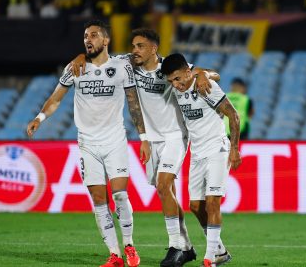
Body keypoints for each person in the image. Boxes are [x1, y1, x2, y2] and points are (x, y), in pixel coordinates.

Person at [69, 28, 222, 267]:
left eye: (140, 46)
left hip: (174, 136)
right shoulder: (128, 65)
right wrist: (81, 57)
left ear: (153, 49)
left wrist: (205, 75)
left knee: (163, 185)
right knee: (166, 191)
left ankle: (175, 246)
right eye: (133, 46)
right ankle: (187, 247)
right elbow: (98, 57)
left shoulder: (169, 69)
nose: (134, 51)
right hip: (151, 139)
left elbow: (209, 73)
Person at [26, 19, 149, 267]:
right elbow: (56, 98)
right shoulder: (75, 68)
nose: (88, 39)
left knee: (120, 195)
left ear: (106, 40)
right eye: (85, 36)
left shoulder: (122, 66)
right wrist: (40, 118)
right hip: (87, 143)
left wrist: (144, 138)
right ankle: (114, 254)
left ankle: (129, 245)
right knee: (98, 198)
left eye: (93, 35)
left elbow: (134, 103)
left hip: (114, 140)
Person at [161, 53, 242, 267]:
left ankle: (209, 259)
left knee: (213, 203)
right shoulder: (182, 86)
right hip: (196, 154)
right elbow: (200, 72)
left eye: (178, 79)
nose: (176, 85)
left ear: (188, 71)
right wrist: (203, 73)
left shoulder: (205, 87)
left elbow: (233, 116)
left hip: (217, 150)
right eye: (171, 81)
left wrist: (234, 149)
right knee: (196, 206)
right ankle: (220, 251)